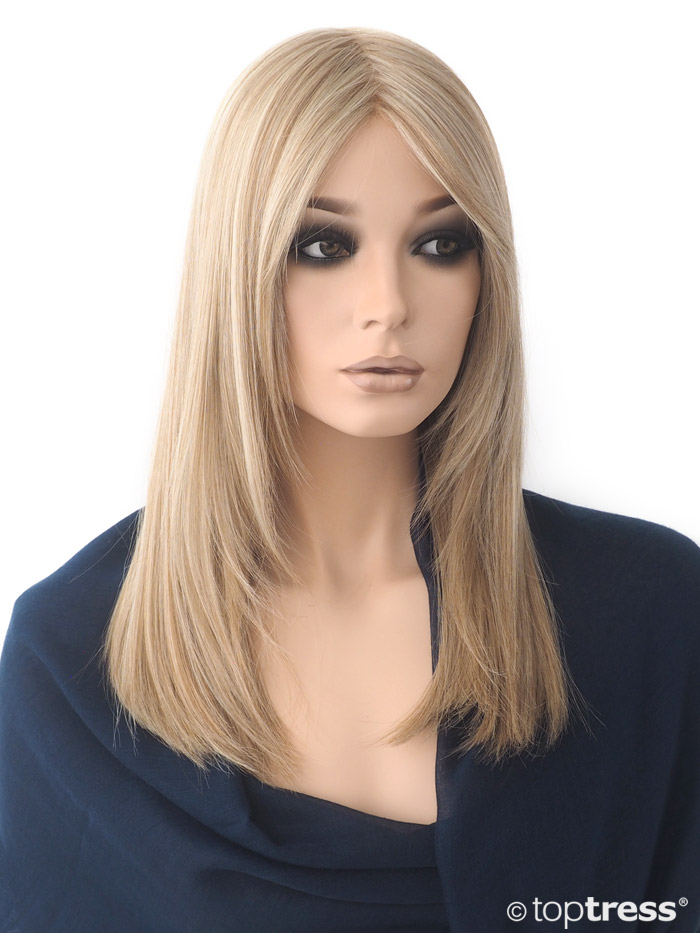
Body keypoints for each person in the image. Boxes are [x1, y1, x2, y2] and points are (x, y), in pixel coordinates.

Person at [1, 26, 698, 933]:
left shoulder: (646, 614)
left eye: (440, 244)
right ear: (237, 267)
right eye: (324, 245)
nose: (388, 306)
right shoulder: (74, 659)